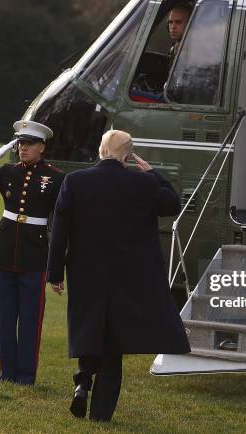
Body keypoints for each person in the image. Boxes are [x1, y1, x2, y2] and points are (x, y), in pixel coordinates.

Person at [46, 130, 191, 422]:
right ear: (128, 155)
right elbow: (172, 205)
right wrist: (153, 172)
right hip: (127, 277)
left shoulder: (76, 181)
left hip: (85, 272)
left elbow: (59, 229)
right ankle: (100, 413)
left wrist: (54, 272)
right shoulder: (143, 183)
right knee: (113, 343)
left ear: (100, 150)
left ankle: (83, 379)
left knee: (88, 329)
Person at [0, 120, 64, 385]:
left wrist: (57, 265)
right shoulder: (6, 171)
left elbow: (64, 219)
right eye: (19, 144)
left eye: (28, 144)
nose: (22, 149)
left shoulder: (56, 177)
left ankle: (26, 376)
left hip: (35, 255)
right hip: (4, 252)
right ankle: (6, 373)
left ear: (41, 147)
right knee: (5, 318)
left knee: (30, 320)